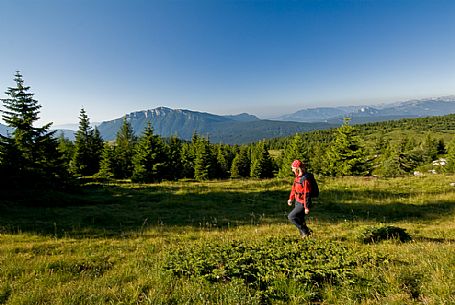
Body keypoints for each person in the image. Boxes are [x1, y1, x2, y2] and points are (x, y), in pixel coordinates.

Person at [287, 159, 312, 238]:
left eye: (293, 168)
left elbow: (306, 194)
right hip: (297, 201)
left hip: (302, 203)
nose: (292, 170)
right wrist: (291, 198)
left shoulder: (305, 180)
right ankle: (305, 235)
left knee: (291, 217)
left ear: (298, 168)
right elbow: (294, 189)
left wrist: (306, 207)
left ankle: (305, 231)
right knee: (300, 218)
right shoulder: (297, 178)